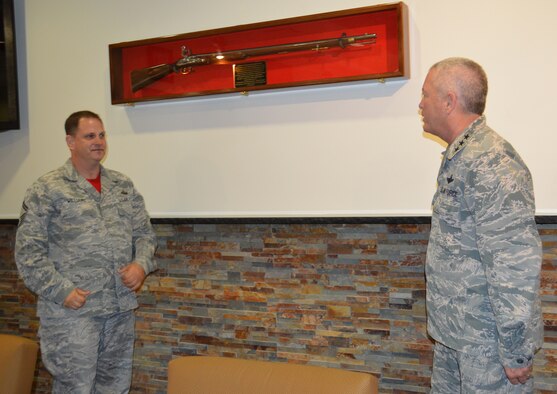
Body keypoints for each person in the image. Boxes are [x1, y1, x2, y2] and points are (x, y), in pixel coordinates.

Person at [419, 58, 542, 393]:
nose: (420, 104)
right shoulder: (462, 155)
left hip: (487, 346)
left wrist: (516, 350)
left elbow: (514, 262)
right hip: (455, 336)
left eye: (425, 94)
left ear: (448, 101)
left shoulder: (492, 161)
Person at [15, 110, 157, 393]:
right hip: (72, 315)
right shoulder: (47, 189)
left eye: (102, 135)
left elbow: (144, 235)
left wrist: (141, 264)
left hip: (118, 311)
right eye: (89, 136)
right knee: (75, 389)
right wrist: (61, 291)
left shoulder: (122, 186)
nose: (98, 141)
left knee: (115, 388)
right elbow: (28, 253)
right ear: (70, 141)